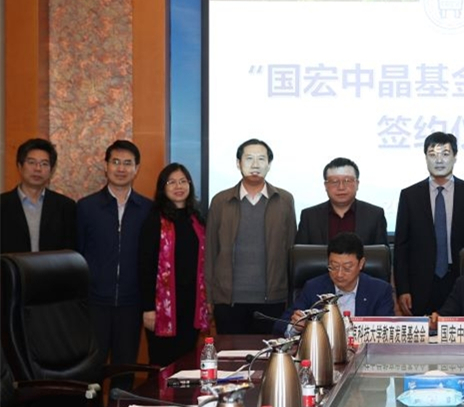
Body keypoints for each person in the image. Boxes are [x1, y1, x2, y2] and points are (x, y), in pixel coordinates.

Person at [77, 140, 152, 386]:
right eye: (116, 162)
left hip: (131, 304)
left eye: (127, 163)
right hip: (94, 303)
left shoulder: (147, 209)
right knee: (91, 371)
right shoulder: (86, 207)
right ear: (106, 166)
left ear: (136, 168)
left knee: (124, 370)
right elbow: (77, 254)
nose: (121, 168)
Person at [205, 138, 296, 334]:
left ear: (269, 165)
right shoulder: (221, 201)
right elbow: (211, 252)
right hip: (228, 300)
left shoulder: (284, 200)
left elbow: (291, 251)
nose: (255, 165)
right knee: (230, 352)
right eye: (249, 158)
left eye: (261, 159)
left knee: (269, 351)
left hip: (273, 300)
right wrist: (209, 297)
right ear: (238, 163)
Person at [394, 132, 464, 316]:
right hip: (420, 284)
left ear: (455, 157)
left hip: (461, 279)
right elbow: (401, 247)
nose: (439, 160)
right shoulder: (409, 196)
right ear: (425, 158)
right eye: (432, 154)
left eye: (445, 154)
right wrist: (403, 289)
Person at [138, 163, 210, 367]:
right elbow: (145, 266)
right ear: (163, 188)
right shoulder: (154, 219)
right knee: (162, 362)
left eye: (182, 181)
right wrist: (148, 308)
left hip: (191, 304)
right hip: (163, 307)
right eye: (171, 182)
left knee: (187, 362)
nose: (178, 186)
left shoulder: (197, 218)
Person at [276, 232, 394, 336]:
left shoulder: (380, 291)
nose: (339, 274)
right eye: (334, 266)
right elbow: (280, 326)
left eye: (347, 268)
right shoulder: (314, 287)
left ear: (361, 263)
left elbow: (387, 333)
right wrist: (295, 327)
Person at [1, 138, 76, 253]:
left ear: (51, 170)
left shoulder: (66, 207)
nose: (37, 169)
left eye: (44, 164)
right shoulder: (3, 204)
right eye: (31, 162)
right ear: (19, 166)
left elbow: (70, 253)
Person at [295, 157, 388, 247]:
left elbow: (381, 255)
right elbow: (301, 255)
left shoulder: (375, 216)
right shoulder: (309, 217)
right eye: (334, 181)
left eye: (347, 181)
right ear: (326, 186)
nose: (341, 187)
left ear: (357, 184)